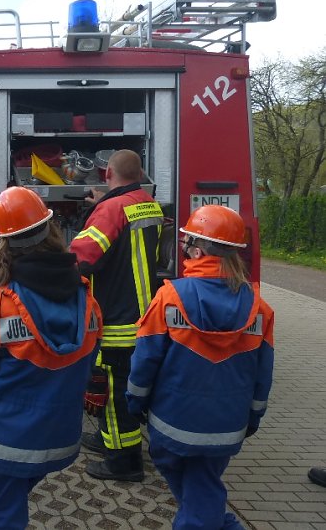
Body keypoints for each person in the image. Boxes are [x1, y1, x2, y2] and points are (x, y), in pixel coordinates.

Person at [126, 205, 275, 529]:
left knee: (198, 498)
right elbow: (263, 376)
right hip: (227, 425)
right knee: (202, 488)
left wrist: (135, 402)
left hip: (171, 424)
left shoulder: (169, 297)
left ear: (196, 248)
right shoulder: (259, 308)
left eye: (186, 242)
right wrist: (253, 416)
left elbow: (144, 361)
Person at [0, 187, 101, 529]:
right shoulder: (88, 301)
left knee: (1, 517)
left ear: (5, 244)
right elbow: (85, 362)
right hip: (57, 439)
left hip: (3, 442)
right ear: (52, 231)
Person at [70, 149, 162, 482]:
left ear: (107, 174)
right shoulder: (147, 203)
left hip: (117, 320)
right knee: (125, 387)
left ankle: (124, 463)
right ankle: (106, 439)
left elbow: (83, 258)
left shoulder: (110, 210)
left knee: (113, 392)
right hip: (143, 314)